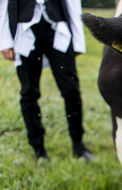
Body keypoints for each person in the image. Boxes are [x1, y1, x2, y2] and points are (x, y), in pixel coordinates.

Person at [0, 0, 93, 161]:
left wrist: (78, 41)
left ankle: (79, 146)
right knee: (29, 92)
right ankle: (38, 151)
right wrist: (5, 41)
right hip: (25, 30)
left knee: (71, 90)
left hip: (58, 28)